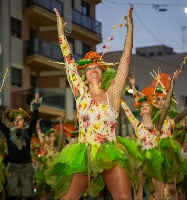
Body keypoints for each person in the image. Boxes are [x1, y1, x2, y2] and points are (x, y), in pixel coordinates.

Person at [45, 6, 134, 200]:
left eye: (97, 67)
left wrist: (130, 29)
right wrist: (61, 32)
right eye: (88, 68)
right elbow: (69, 60)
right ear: (84, 77)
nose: (93, 69)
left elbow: (125, 61)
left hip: (110, 151)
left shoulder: (113, 92)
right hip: (84, 152)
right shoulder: (81, 94)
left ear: (103, 73)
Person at [120, 72, 178, 200]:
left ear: (152, 109)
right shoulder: (137, 124)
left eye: (148, 105)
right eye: (143, 107)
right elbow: (126, 109)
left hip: (156, 160)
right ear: (140, 112)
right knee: (138, 194)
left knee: (159, 195)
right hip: (140, 159)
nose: (145, 107)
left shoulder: (158, 124)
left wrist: (172, 84)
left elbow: (167, 105)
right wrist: (132, 87)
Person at [152, 72, 187, 200]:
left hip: (171, 153)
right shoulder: (153, 120)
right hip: (156, 153)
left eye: (164, 99)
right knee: (157, 192)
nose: (161, 102)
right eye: (158, 99)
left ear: (169, 100)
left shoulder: (172, 120)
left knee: (172, 188)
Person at [0, 93, 42, 200]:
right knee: (12, 194)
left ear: (24, 121)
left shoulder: (28, 132)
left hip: (26, 167)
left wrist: (35, 106)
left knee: (28, 194)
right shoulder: (8, 133)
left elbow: (34, 121)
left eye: (20, 119)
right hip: (12, 167)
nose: (17, 121)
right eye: (15, 119)